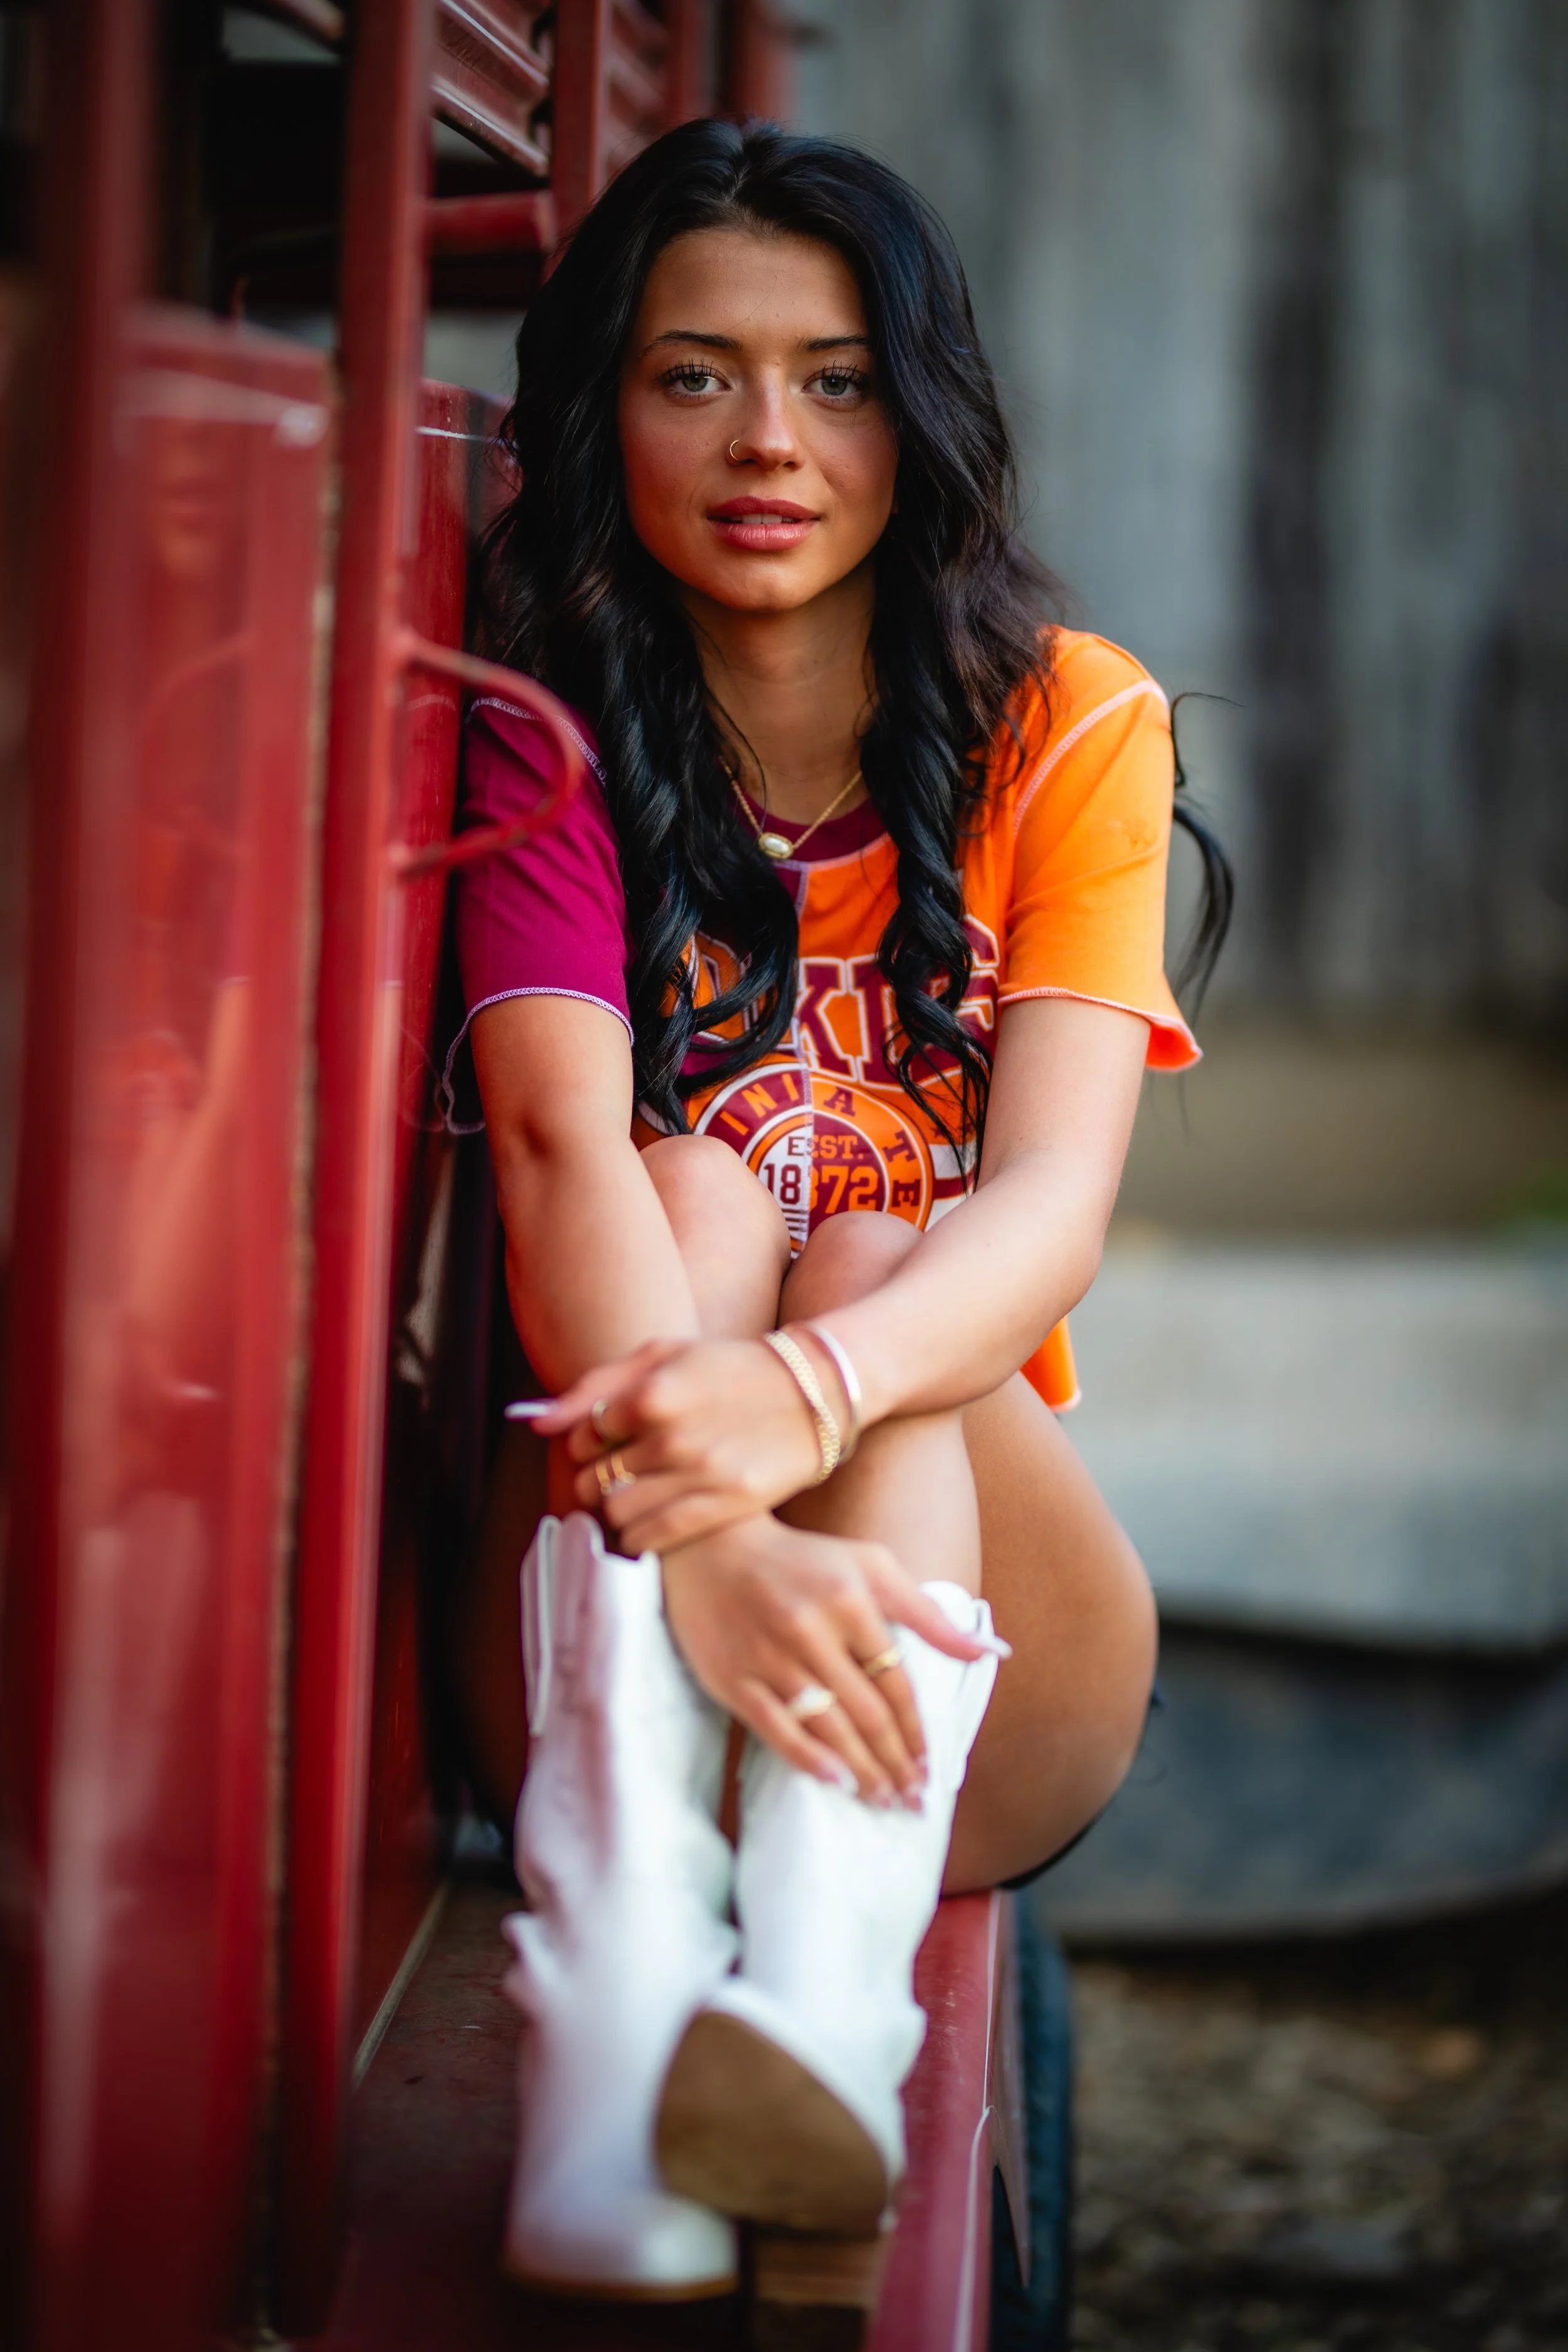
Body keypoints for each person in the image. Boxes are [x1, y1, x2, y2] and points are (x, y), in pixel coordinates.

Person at [445, 119, 1230, 2324]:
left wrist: (788, 1407)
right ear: (602, 403)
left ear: (925, 409)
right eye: (693, 374)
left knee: (893, 1258)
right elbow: (554, 1151)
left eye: (838, 375)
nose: (768, 440)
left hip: (981, 1688)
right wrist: (711, 1527)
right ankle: (619, 2030)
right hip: (617, 1619)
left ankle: (814, 2006)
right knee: (692, 1177)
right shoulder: (550, 724)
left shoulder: (1063, 723)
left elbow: (1053, 1208)